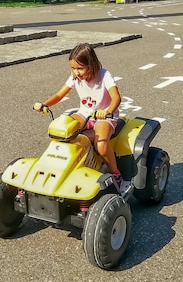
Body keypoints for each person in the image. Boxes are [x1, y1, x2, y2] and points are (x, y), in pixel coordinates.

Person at [33, 43, 130, 193]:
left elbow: (116, 97)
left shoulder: (104, 76)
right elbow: (60, 95)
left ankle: (116, 175)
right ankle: (60, 170)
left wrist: (108, 110)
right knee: (62, 133)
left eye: (80, 68)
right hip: (85, 114)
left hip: (103, 117)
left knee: (101, 145)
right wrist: (44, 104)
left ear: (90, 65)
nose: (76, 72)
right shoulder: (75, 78)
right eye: (73, 68)